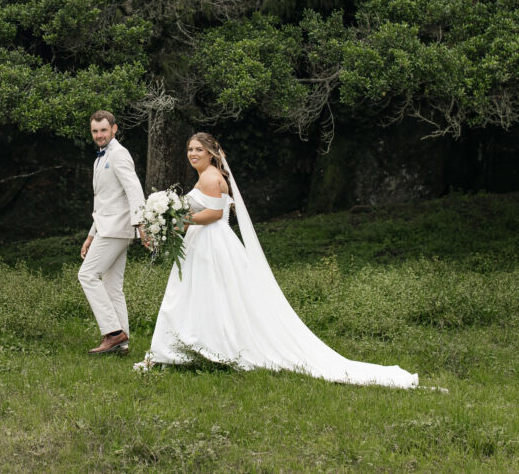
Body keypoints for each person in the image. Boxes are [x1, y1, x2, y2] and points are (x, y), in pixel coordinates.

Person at [137, 132, 419, 388]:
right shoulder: (206, 176)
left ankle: (200, 349)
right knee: (202, 296)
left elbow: (213, 215)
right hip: (207, 242)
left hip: (212, 242)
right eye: (189, 149)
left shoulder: (211, 177)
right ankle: (190, 348)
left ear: (211, 153)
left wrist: (177, 221)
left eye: (198, 149)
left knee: (208, 296)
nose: (193, 153)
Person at [79, 110, 146, 355]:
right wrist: (90, 235)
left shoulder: (119, 154)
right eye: (95, 131)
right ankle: (122, 344)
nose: (99, 135)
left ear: (114, 129)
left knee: (87, 275)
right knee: (112, 286)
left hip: (118, 229)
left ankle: (114, 333)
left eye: (103, 130)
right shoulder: (100, 158)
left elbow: (134, 191)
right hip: (107, 227)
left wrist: (141, 225)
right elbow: (105, 202)